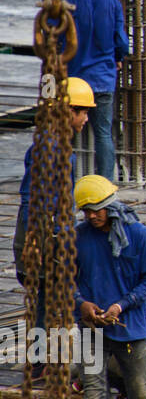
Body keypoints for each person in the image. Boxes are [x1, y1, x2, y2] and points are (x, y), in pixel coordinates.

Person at [70, 175, 146, 399]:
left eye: (97, 209)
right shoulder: (78, 237)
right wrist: (81, 303)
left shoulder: (138, 235)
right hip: (92, 331)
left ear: (110, 205)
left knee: (140, 395)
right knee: (94, 397)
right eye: (86, 210)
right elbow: (67, 279)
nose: (92, 215)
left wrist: (121, 305)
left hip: (130, 329)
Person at [14, 77, 95, 323]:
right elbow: (31, 198)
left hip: (52, 237)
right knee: (44, 306)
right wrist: (34, 240)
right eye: (83, 113)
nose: (86, 119)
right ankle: (39, 361)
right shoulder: (48, 148)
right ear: (69, 111)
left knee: (50, 305)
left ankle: (45, 356)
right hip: (42, 240)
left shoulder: (59, 146)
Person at [62, 0, 129, 180]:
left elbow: (56, 42)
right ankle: (105, 184)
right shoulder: (110, 2)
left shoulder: (66, 6)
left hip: (75, 82)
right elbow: (121, 42)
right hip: (103, 80)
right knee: (103, 133)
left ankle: (65, 178)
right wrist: (118, 59)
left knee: (66, 133)